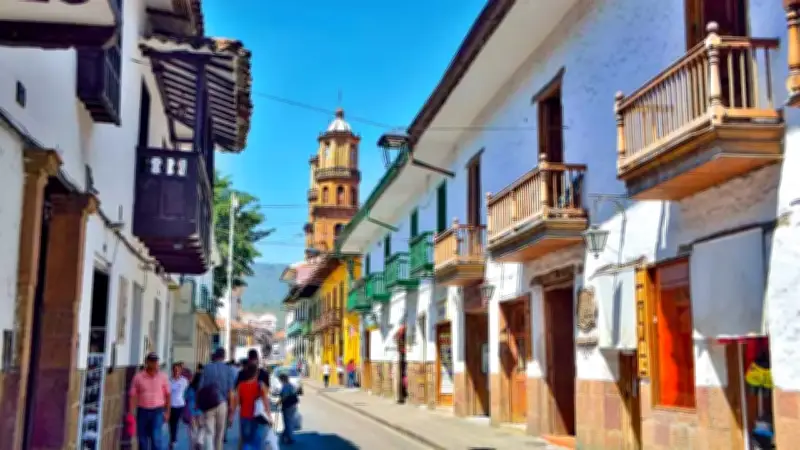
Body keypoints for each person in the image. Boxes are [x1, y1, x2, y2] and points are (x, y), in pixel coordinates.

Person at [128, 352, 171, 450]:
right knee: (142, 440)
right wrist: (131, 411)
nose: (154, 363)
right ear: (147, 362)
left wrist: (167, 412)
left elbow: (168, 395)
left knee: (156, 438)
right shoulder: (138, 377)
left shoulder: (163, 377)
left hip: (157, 411)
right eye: (152, 361)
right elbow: (132, 394)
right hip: (142, 411)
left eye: (156, 361)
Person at [198, 348, 235, 450]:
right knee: (219, 434)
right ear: (224, 356)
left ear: (215, 356)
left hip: (208, 404)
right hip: (222, 404)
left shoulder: (206, 368)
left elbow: (200, 388)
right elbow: (231, 391)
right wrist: (231, 409)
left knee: (209, 433)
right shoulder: (228, 369)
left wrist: (198, 405)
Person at [233, 364, 272, 450]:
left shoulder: (240, 386)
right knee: (256, 441)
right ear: (256, 373)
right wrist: (269, 417)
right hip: (257, 417)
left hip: (244, 415)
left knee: (246, 440)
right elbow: (266, 403)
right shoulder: (260, 386)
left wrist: (231, 416)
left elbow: (236, 403)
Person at [184, 372, 209, 449]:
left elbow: (185, 399)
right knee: (202, 427)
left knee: (192, 433)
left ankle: (194, 445)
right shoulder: (204, 389)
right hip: (201, 412)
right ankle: (200, 441)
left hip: (191, 413)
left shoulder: (189, 389)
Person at [168, 362, 188, 449]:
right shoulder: (169, 381)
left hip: (179, 405)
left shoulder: (184, 381)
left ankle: (173, 440)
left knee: (175, 423)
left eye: (178, 370)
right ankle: (172, 439)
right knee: (170, 423)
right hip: (170, 405)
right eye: (174, 370)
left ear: (180, 371)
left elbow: (186, 392)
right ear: (172, 371)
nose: (176, 372)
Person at [277, 373, 300, 444]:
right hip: (293, 405)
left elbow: (285, 396)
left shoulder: (285, 386)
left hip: (288, 406)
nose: (279, 381)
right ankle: (284, 436)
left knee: (288, 422)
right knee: (289, 422)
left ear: (282, 379)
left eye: (280, 380)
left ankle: (290, 438)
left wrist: (278, 402)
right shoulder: (291, 385)